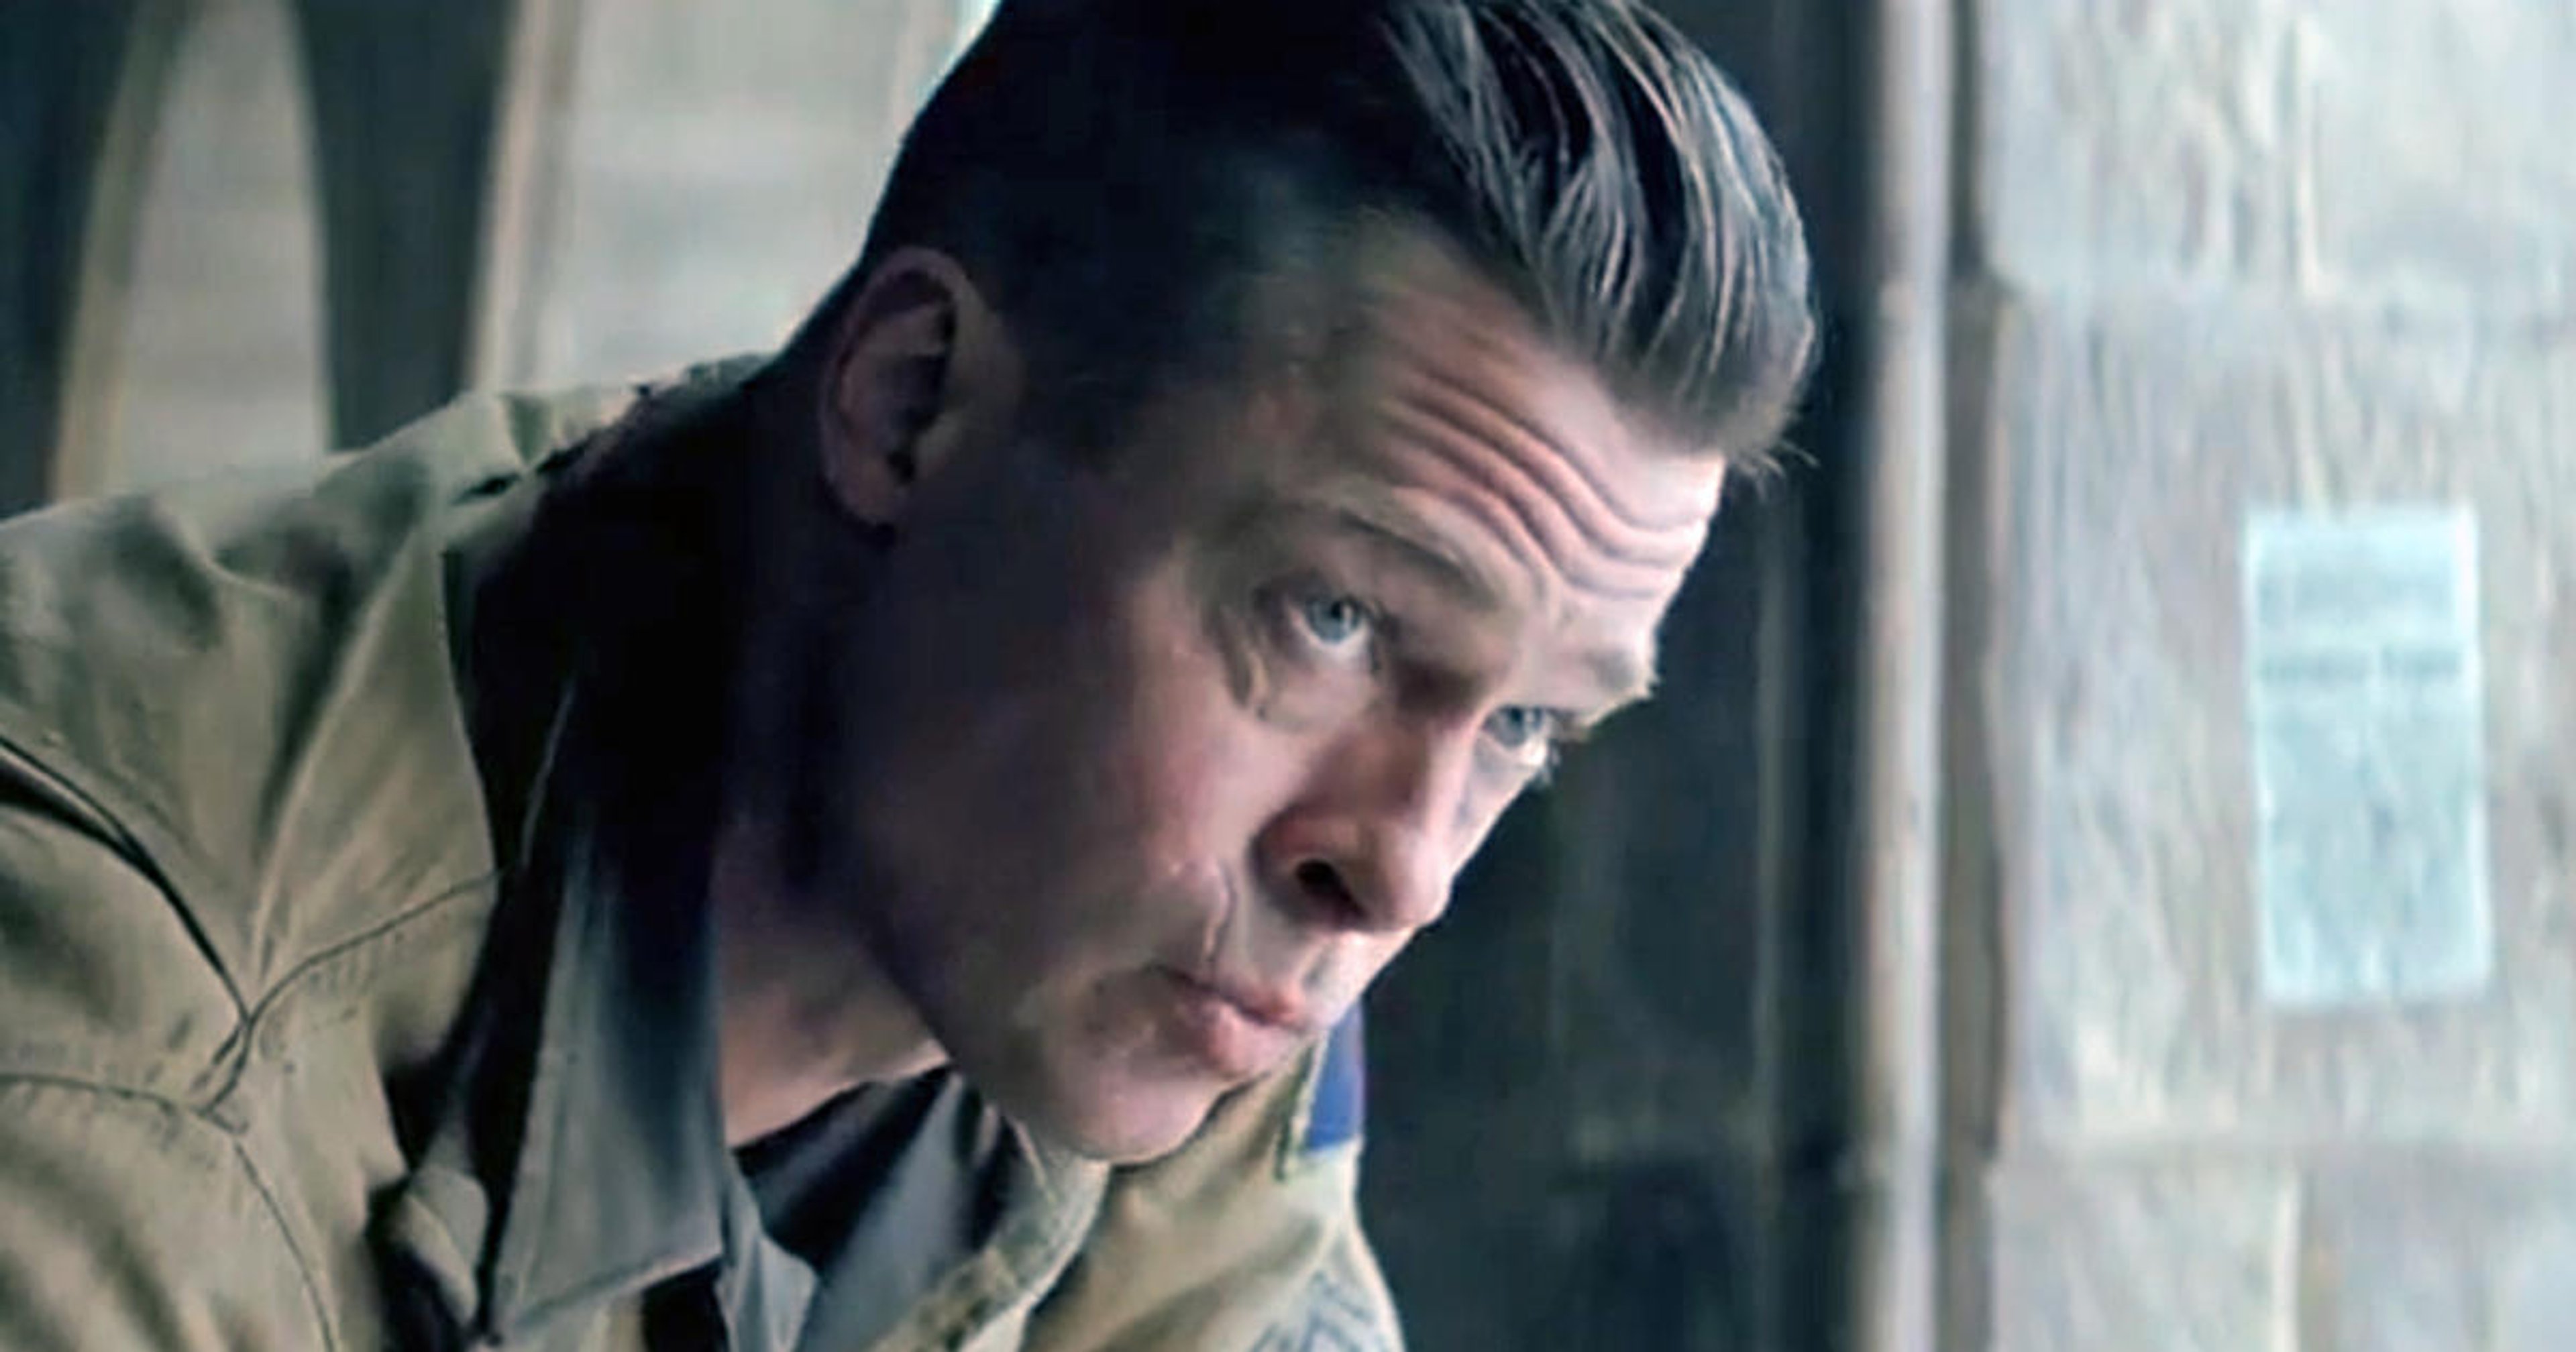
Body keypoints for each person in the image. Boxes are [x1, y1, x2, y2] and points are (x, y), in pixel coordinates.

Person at [0, 0, 1813, 1347]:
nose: (1399, 871)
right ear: (908, 403)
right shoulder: (112, 1061)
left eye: (1520, 724)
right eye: (1329, 618)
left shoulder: (1156, 966)